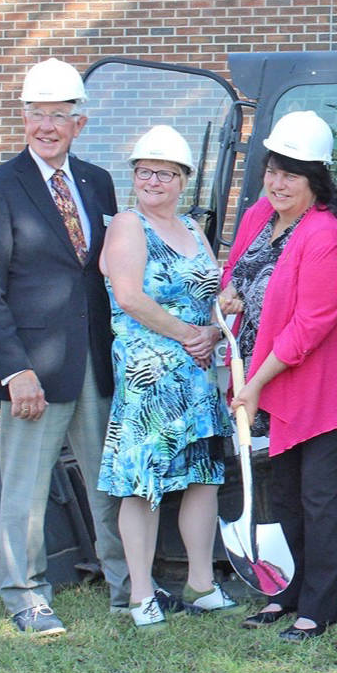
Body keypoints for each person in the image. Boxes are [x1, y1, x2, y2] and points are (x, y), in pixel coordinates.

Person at [0, 58, 129, 636]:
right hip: (35, 368)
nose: (46, 126)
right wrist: (14, 371)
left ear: (79, 123)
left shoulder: (97, 181)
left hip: (96, 362)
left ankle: (127, 587)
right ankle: (26, 596)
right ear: (25, 118)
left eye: (59, 115)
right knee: (27, 490)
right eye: (36, 114)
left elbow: (107, 272)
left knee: (110, 481)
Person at [217, 110, 337, 641]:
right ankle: (286, 592)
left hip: (326, 388)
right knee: (283, 496)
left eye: (292, 175)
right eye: (273, 170)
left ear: (317, 180)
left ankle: (319, 606)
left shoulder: (328, 234)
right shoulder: (259, 216)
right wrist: (229, 300)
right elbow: (236, 276)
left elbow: (310, 324)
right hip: (270, 381)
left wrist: (255, 384)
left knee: (323, 500)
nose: (278, 183)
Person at [98, 125, 235, 627]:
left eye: (165, 173)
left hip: (197, 374)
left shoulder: (194, 230)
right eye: (144, 171)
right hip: (149, 373)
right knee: (142, 481)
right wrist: (188, 334)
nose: (153, 180)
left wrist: (215, 331)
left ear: (183, 180)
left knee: (202, 476)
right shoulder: (128, 226)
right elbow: (131, 296)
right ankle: (141, 594)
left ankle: (200, 582)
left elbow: (212, 297)